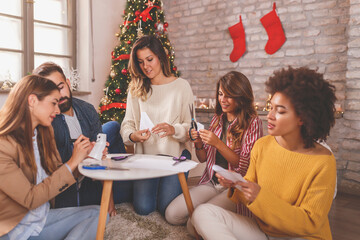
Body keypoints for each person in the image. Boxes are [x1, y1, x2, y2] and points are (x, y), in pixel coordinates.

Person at [191, 66, 337, 240]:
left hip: (300, 236)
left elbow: (310, 222)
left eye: (280, 111)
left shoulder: (323, 162)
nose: (270, 116)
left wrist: (259, 196)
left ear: (303, 117)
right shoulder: (262, 146)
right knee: (202, 213)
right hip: (262, 230)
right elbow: (248, 191)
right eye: (271, 107)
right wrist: (236, 185)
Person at [0, 75, 100, 240]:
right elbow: (30, 199)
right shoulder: (4, 145)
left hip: (39, 221)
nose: (58, 110)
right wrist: (72, 161)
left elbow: (58, 177)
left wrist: (83, 159)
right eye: (54, 103)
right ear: (32, 101)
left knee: (97, 214)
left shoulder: (42, 133)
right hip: (13, 231)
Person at [166, 71, 263, 229]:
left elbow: (245, 165)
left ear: (240, 96)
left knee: (193, 226)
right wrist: (197, 142)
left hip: (234, 188)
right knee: (172, 214)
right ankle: (214, 217)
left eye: (228, 95)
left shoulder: (253, 123)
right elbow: (203, 158)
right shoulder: (218, 119)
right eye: (220, 94)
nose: (222, 100)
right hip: (211, 182)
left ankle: (221, 218)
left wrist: (218, 143)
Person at [33, 62, 126, 216]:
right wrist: (85, 158)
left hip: (94, 176)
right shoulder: (47, 123)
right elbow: (55, 182)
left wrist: (109, 199)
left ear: (68, 83)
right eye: (51, 93)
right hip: (74, 188)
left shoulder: (87, 109)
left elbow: (101, 158)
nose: (59, 96)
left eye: (61, 87)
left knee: (114, 127)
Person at [119, 35, 194, 216]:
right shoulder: (136, 87)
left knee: (166, 207)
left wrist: (173, 129)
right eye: (141, 61)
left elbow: (191, 129)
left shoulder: (181, 87)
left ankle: (164, 183)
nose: (146, 66)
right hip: (146, 158)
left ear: (161, 56)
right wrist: (132, 136)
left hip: (174, 156)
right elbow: (127, 124)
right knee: (144, 208)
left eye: (150, 59)